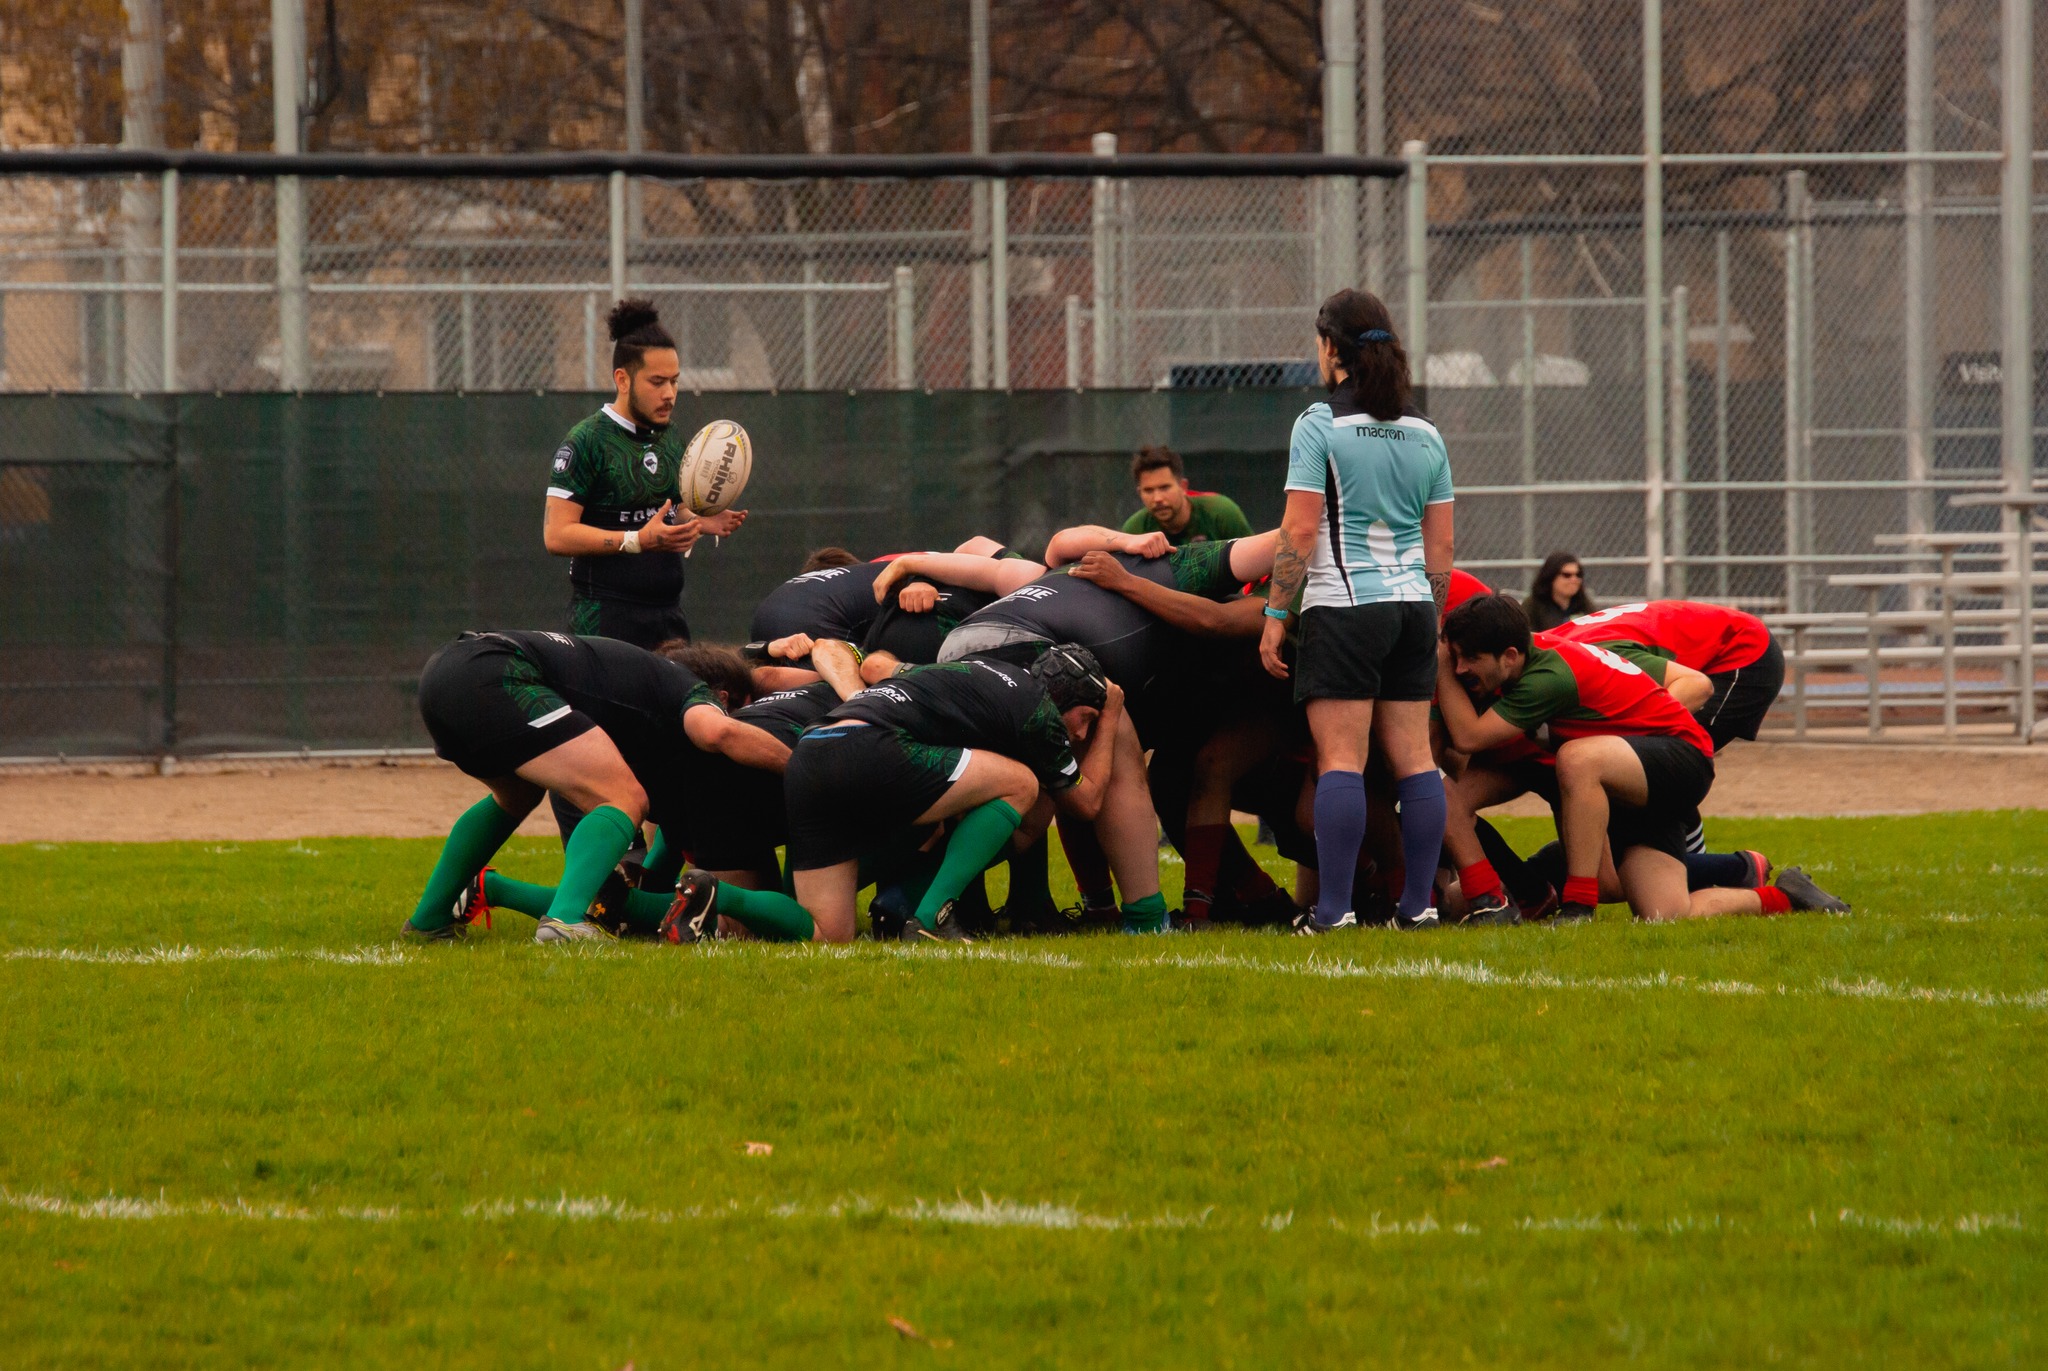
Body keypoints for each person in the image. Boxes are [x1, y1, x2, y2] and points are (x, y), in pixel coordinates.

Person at [1435, 594, 1844, 922]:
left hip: (1679, 758)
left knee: (1577, 759)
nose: (1460, 668)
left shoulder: (1551, 674)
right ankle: (1785, 896)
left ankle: (1578, 907)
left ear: (1509, 655)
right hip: (1624, 774)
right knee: (1663, 913)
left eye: (1469, 658)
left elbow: (1469, 738)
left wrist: (1436, 662)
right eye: (1454, 658)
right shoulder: (1524, 667)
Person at [1260, 288, 1454, 935]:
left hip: (1346, 608)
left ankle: (1334, 911)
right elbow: (1443, 547)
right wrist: (1432, 618)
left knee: (1340, 758)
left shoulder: (1320, 424)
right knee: (1414, 759)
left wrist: (1276, 615)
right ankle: (1419, 906)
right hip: (1411, 610)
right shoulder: (1426, 429)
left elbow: (1300, 531)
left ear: (1331, 348)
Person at [400, 631, 788, 944]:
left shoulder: (645, 693)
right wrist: (797, 766)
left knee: (514, 796)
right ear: (724, 697)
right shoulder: (692, 691)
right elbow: (718, 730)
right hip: (495, 672)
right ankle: (564, 921)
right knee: (623, 798)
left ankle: (430, 918)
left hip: (444, 676)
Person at [543, 299, 747, 645]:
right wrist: (637, 539)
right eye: (657, 382)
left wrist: (697, 517)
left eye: (675, 381)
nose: (669, 394)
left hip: (668, 616)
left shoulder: (670, 436)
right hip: (605, 621)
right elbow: (557, 535)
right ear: (622, 379)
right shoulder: (587, 441)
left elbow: (667, 508)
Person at [1121, 446, 1255, 548]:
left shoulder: (1222, 513)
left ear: (1183, 487)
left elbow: (1257, 568)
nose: (1157, 499)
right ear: (1140, 493)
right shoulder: (1134, 530)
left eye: (1165, 488)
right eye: (1149, 491)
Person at [1524, 552, 1593, 632]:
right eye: (1567, 575)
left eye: (1578, 575)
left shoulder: (1584, 604)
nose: (1574, 580)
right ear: (1551, 576)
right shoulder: (1533, 605)